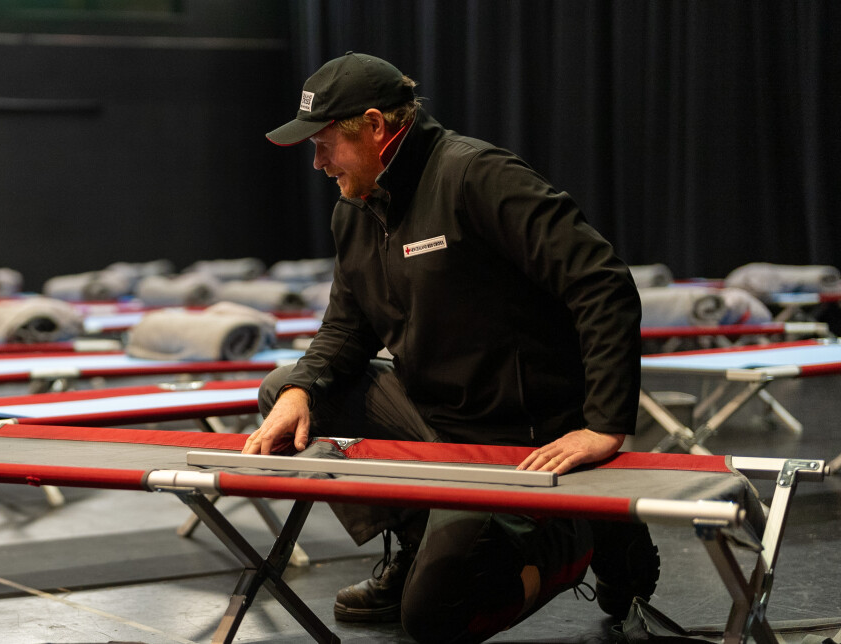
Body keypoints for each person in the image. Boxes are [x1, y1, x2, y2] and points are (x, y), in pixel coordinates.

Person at [246, 52, 658, 643]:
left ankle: (583, 532)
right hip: (433, 422)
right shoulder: (355, 209)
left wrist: (604, 424)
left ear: (375, 127)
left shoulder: (477, 175)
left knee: (435, 620)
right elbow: (345, 329)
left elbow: (601, 281)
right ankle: (417, 543)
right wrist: (297, 390)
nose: (316, 161)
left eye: (325, 142)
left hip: (516, 439)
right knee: (286, 386)